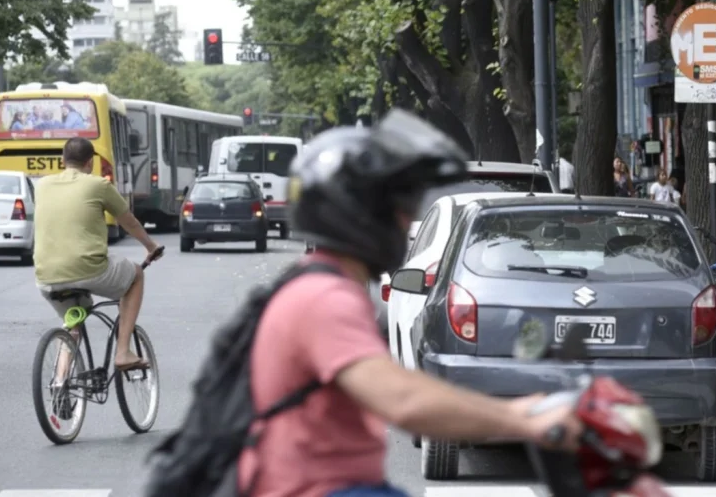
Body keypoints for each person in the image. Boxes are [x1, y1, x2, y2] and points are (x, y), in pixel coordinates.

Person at [238, 110, 582, 496]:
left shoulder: (320, 283)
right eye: (400, 209)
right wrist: (523, 419)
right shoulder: (324, 299)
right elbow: (403, 400)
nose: (407, 222)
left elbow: (395, 382)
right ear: (359, 216)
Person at [34, 137, 162, 371]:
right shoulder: (98, 185)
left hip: (46, 276)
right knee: (135, 276)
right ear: (90, 162)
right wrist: (151, 247)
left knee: (73, 325)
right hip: (89, 269)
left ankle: (60, 386)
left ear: (63, 160)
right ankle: (123, 352)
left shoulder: (42, 185)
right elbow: (129, 222)